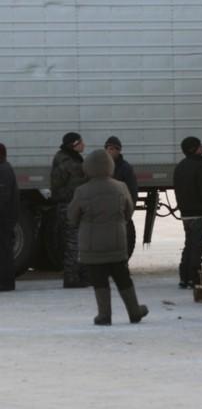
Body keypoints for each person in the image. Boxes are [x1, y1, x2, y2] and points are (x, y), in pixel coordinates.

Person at [68, 149, 148, 326]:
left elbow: (72, 217)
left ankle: (104, 315)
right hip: (116, 242)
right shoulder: (121, 187)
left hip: (92, 247)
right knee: (123, 277)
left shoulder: (82, 191)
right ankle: (134, 311)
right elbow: (129, 212)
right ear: (110, 167)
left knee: (99, 280)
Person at [173, 136, 202, 289]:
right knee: (197, 247)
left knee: (189, 245)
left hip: (186, 213)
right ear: (193, 149)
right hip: (199, 213)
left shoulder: (180, 167)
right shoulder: (201, 167)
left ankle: (184, 278)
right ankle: (194, 278)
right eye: (200, 146)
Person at [50, 132, 88, 288]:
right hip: (68, 205)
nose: (84, 145)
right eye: (81, 142)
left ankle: (76, 276)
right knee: (73, 244)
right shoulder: (67, 162)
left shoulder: (69, 158)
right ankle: (71, 278)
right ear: (74, 145)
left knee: (75, 242)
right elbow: (74, 184)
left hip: (70, 205)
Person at [104, 136, 138, 256]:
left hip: (120, 212)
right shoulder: (100, 167)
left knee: (121, 243)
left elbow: (132, 192)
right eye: (108, 148)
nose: (111, 151)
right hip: (103, 213)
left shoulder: (125, 168)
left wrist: (128, 214)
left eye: (114, 148)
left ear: (119, 151)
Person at [0, 143, 19, 292]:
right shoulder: (5, 168)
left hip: (3, 218)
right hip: (6, 217)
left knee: (4, 251)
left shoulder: (3, 170)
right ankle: (6, 282)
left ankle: (5, 283)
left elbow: (3, 197)